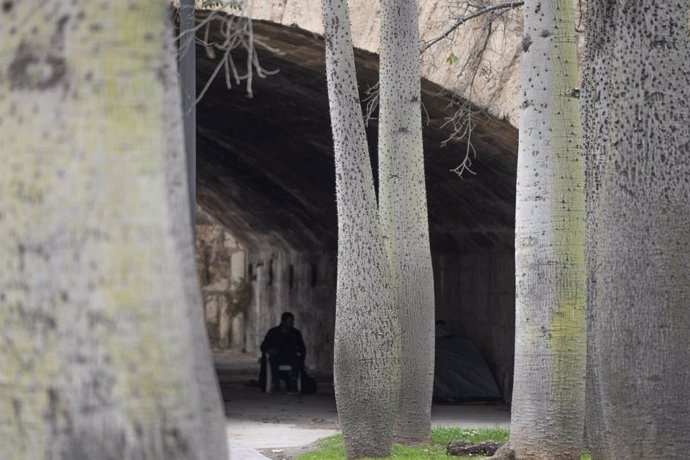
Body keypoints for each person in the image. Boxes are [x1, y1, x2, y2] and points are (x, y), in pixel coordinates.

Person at [260, 312, 306, 393]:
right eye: (290, 321)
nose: (292, 323)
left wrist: (300, 355)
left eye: (292, 321)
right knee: (273, 358)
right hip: (277, 356)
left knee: (297, 359)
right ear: (283, 322)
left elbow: (302, 348)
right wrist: (269, 350)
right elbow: (263, 346)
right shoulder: (273, 332)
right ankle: (275, 383)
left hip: (290, 356)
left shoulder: (296, 333)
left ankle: (293, 383)